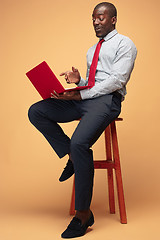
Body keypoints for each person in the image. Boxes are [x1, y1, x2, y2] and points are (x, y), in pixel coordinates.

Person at [28, 2, 137, 238]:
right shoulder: (91, 50)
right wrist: (79, 80)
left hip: (107, 102)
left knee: (80, 144)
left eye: (100, 18)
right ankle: (71, 156)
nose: (96, 22)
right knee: (37, 111)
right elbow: (95, 81)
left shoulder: (125, 44)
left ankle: (83, 214)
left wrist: (82, 92)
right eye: (93, 18)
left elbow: (116, 81)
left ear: (113, 19)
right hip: (86, 98)